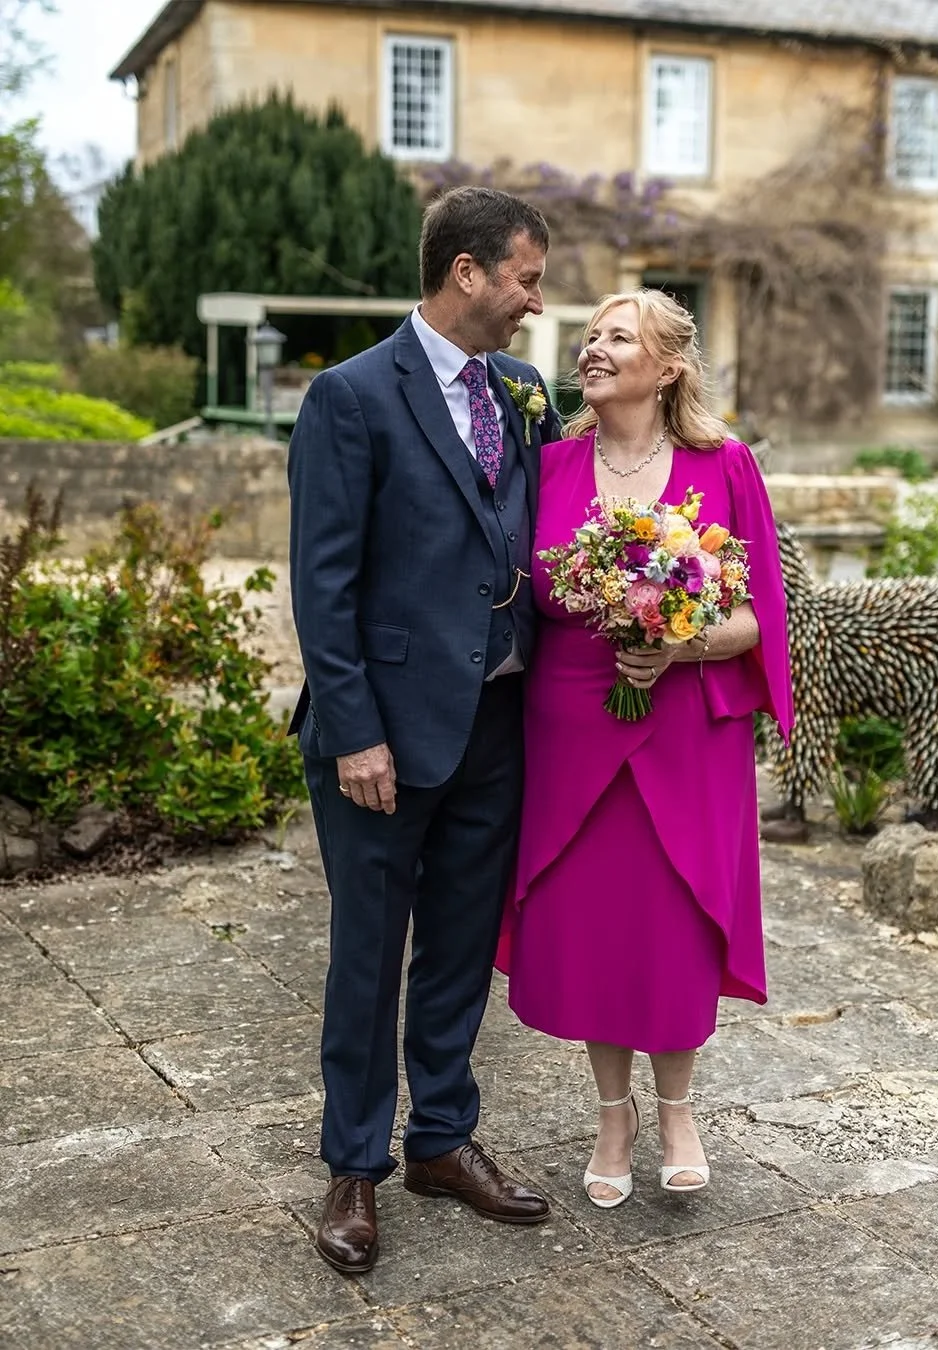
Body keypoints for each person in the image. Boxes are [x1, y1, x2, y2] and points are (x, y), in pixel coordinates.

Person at [287, 185, 563, 1273]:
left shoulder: (526, 390)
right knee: (369, 952)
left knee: (458, 948)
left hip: (497, 717)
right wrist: (355, 731)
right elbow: (325, 582)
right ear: (468, 272)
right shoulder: (350, 397)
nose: (537, 303)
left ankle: (441, 1140)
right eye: (527, 278)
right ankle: (352, 1164)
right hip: (383, 737)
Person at [498, 289, 793, 1207]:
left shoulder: (725, 464)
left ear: (667, 366)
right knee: (595, 924)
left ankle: (679, 1111)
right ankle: (612, 1114)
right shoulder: (546, 466)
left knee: (671, 921)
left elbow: (755, 619)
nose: (592, 349)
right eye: (589, 337)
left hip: (685, 733)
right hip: (573, 727)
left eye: (616, 337)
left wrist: (679, 644)